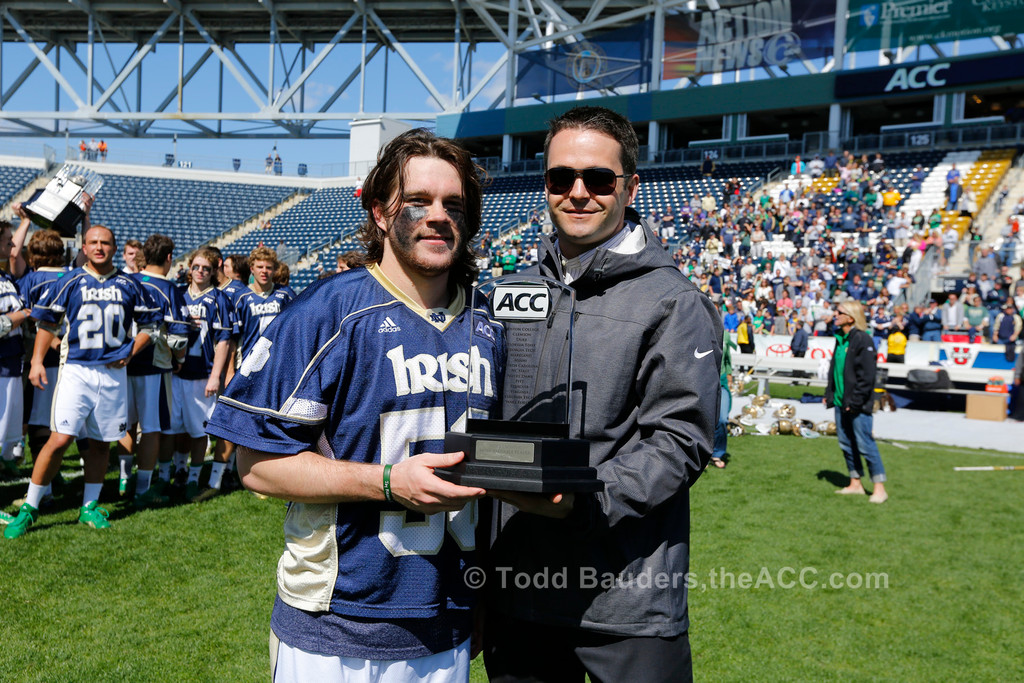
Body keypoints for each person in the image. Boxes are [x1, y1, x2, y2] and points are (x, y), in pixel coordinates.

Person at [206, 129, 503, 680]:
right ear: (380, 212)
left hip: (447, 621)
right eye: (418, 201)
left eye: (453, 204)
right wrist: (387, 482)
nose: (438, 216)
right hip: (335, 626)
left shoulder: (487, 324)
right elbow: (256, 467)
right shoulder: (324, 313)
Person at [483, 106, 721, 682]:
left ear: (630, 186)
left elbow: (682, 439)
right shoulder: (508, 289)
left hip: (627, 600)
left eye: (598, 178)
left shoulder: (673, 301)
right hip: (516, 589)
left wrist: (587, 501)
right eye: (561, 178)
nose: (578, 193)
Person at [5, 225, 162, 538]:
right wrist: (36, 361)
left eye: (105, 242)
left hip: (113, 372)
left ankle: (89, 506)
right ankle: (30, 507)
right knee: (60, 438)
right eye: (93, 242)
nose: (99, 247)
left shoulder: (129, 283)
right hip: (77, 370)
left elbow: (151, 324)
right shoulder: (71, 280)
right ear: (84, 247)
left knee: (102, 441)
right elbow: (48, 323)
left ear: (114, 248)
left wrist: (132, 349)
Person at [170, 248, 232, 501]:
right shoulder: (177, 295)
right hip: (177, 373)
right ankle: (178, 471)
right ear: (189, 268)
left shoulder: (219, 299)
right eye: (196, 267)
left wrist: (216, 375)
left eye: (206, 268)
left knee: (198, 430)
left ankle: (194, 477)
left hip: (202, 374)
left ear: (213, 271)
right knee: (176, 428)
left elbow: (224, 340)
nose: (200, 272)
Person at [825, 300, 888, 504]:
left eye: (839, 312)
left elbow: (867, 376)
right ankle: (855, 483)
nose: (835, 314)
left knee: (865, 444)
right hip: (841, 401)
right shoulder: (840, 338)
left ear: (850, 318)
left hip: (857, 404)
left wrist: (856, 400)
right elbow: (835, 369)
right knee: (845, 443)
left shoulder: (863, 340)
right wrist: (830, 392)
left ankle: (879, 488)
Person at [0, 221, 32, 479]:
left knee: (4, 440)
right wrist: (21, 315)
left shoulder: (5, 278)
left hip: (11, 363)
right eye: (7, 240)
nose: (12, 245)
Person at [711, 327, 737, 469]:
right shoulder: (698, 329)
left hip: (722, 382)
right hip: (704, 382)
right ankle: (702, 454)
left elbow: (727, 359)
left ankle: (717, 453)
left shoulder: (725, 335)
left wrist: (730, 378)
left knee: (722, 419)